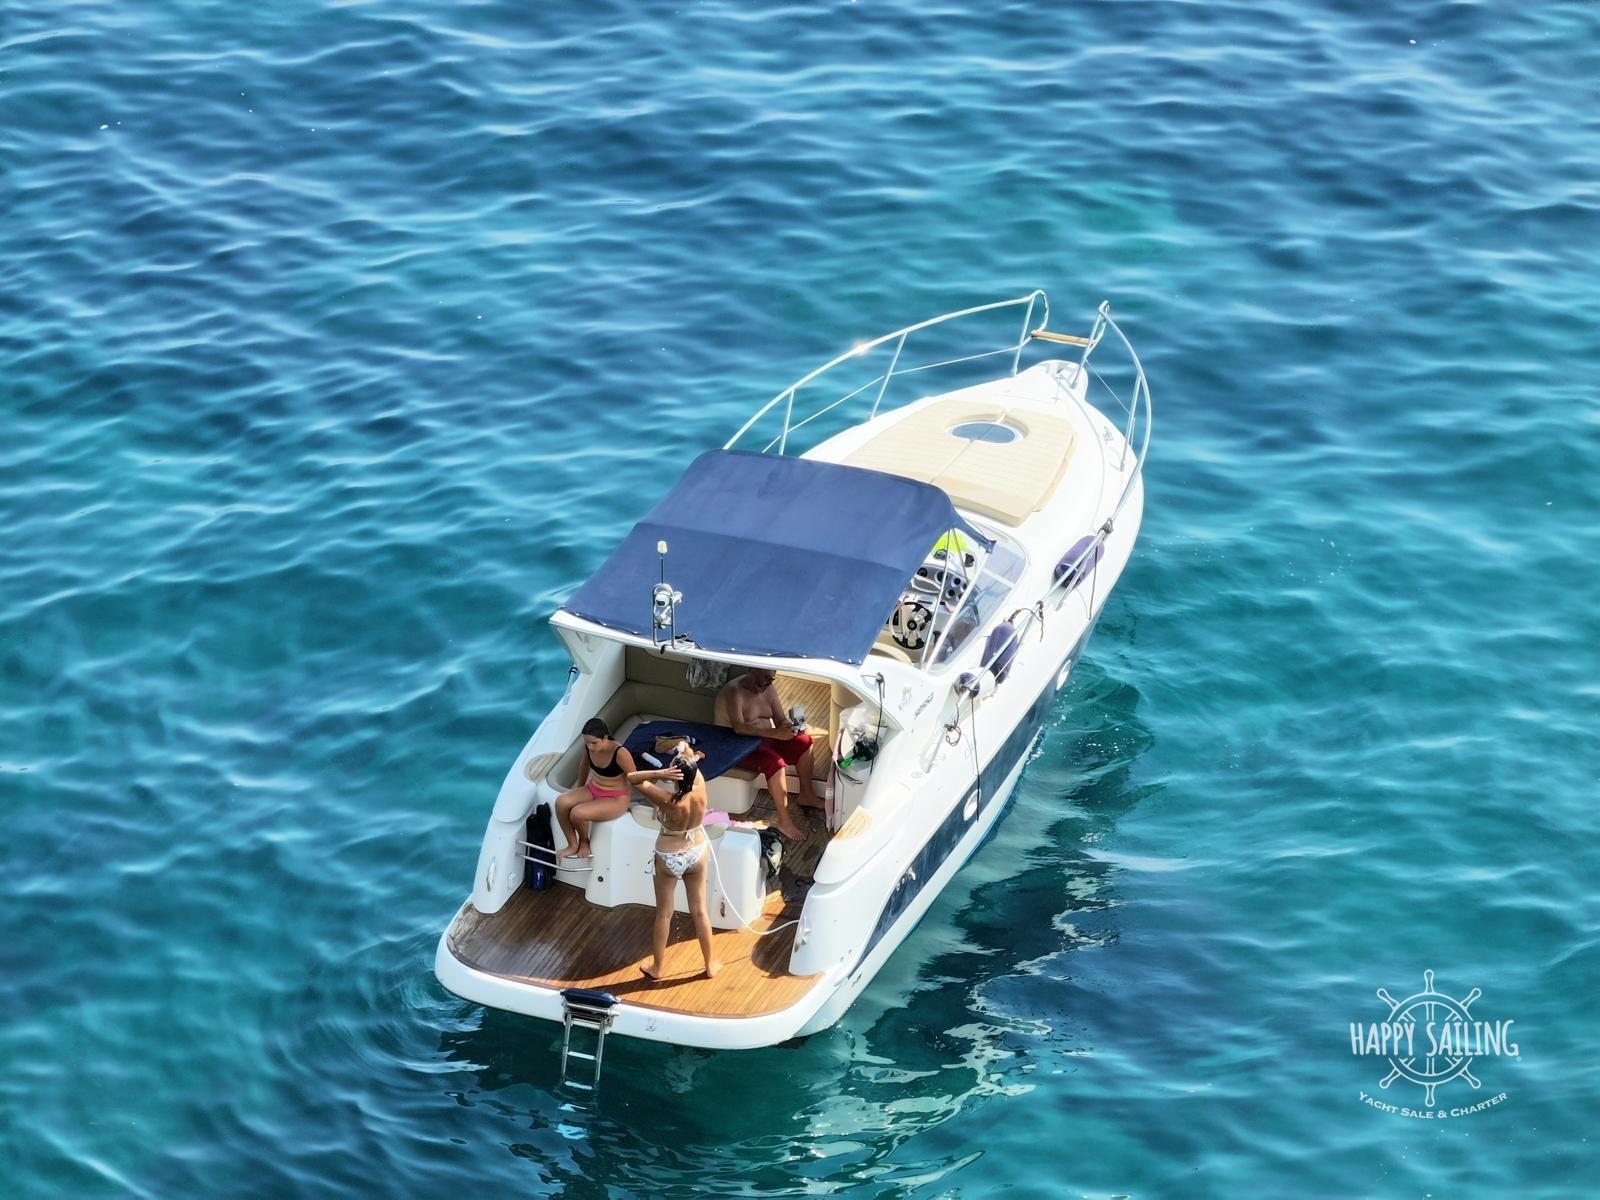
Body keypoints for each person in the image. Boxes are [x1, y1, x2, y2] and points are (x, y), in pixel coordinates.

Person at [631, 743, 717, 980]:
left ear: (674, 776)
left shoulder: (667, 800)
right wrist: (686, 752)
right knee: (700, 911)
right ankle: (710, 965)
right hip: (696, 849)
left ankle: (658, 968)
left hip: (669, 854)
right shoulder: (700, 788)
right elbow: (689, 760)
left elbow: (632, 778)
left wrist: (660, 773)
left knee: (664, 914)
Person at [714, 668, 814, 841]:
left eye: (772, 679)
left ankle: (807, 795)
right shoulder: (734, 691)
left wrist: (792, 728)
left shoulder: (769, 688)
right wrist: (775, 734)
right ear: (752, 669)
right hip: (736, 746)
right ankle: (784, 821)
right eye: (765, 678)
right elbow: (739, 728)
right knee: (775, 762)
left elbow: (780, 720)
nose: (768, 682)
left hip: (765, 739)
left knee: (804, 741)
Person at [554, 717, 636, 863]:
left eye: (594, 743)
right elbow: (584, 765)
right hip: (593, 789)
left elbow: (636, 778)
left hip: (616, 798)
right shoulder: (589, 747)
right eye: (587, 743)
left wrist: (656, 801)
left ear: (605, 738)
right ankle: (572, 844)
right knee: (561, 802)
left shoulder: (620, 753)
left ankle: (584, 841)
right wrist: (579, 789)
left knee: (577, 813)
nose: (590, 747)